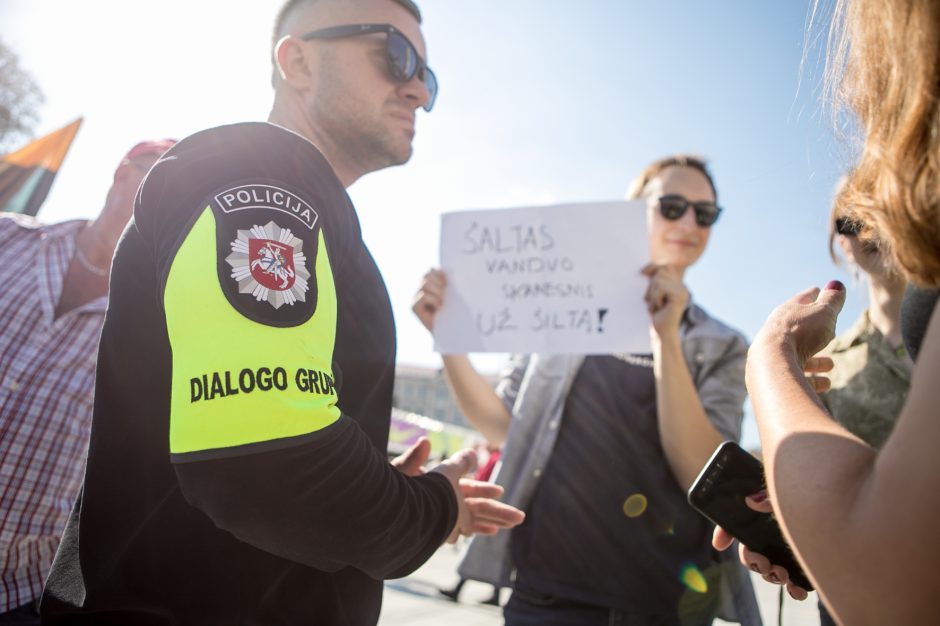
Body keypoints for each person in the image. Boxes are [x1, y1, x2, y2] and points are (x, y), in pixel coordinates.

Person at [39, 1, 522, 624]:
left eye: (428, 77)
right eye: (395, 56)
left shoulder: (313, 212)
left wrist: (385, 489)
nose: (417, 92)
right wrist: (435, 508)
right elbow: (270, 466)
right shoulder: (255, 169)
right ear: (297, 62)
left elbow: (266, 445)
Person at [413, 155, 761, 625]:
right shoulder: (560, 306)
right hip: (543, 591)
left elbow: (703, 469)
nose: (689, 223)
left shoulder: (723, 343)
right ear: (633, 211)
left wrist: (666, 337)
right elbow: (501, 426)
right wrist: (448, 339)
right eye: (672, 205)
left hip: (665, 602)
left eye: (706, 213)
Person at [714, 1, 940, 623]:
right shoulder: (828, 362)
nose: (863, 228)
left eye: (875, 202)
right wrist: (797, 520)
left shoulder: (800, 360)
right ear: (839, 243)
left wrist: (771, 357)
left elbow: (895, 570)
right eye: (847, 220)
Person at [0, 139, 175, 625]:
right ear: (122, 173)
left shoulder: (164, 329)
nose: (170, 207)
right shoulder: (7, 239)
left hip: (20, 594)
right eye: (159, 182)